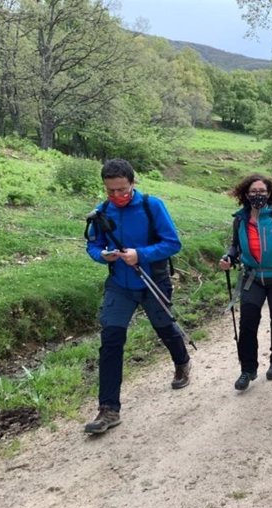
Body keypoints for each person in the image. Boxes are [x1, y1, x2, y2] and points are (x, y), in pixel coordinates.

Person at [84, 158, 191, 434]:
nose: (117, 196)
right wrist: (103, 255)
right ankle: (109, 410)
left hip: (153, 280)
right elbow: (93, 246)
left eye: (122, 189)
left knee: (164, 327)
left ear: (132, 183)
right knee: (110, 340)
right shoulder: (101, 212)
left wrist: (140, 254)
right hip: (120, 284)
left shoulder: (151, 206)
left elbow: (172, 243)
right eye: (111, 191)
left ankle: (182, 362)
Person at [219, 174, 272, 391]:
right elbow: (235, 246)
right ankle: (247, 369)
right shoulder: (240, 220)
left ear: (270, 193)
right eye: (253, 192)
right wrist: (229, 257)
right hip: (252, 279)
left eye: (262, 192)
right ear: (245, 194)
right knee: (247, 325)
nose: (258, 195)